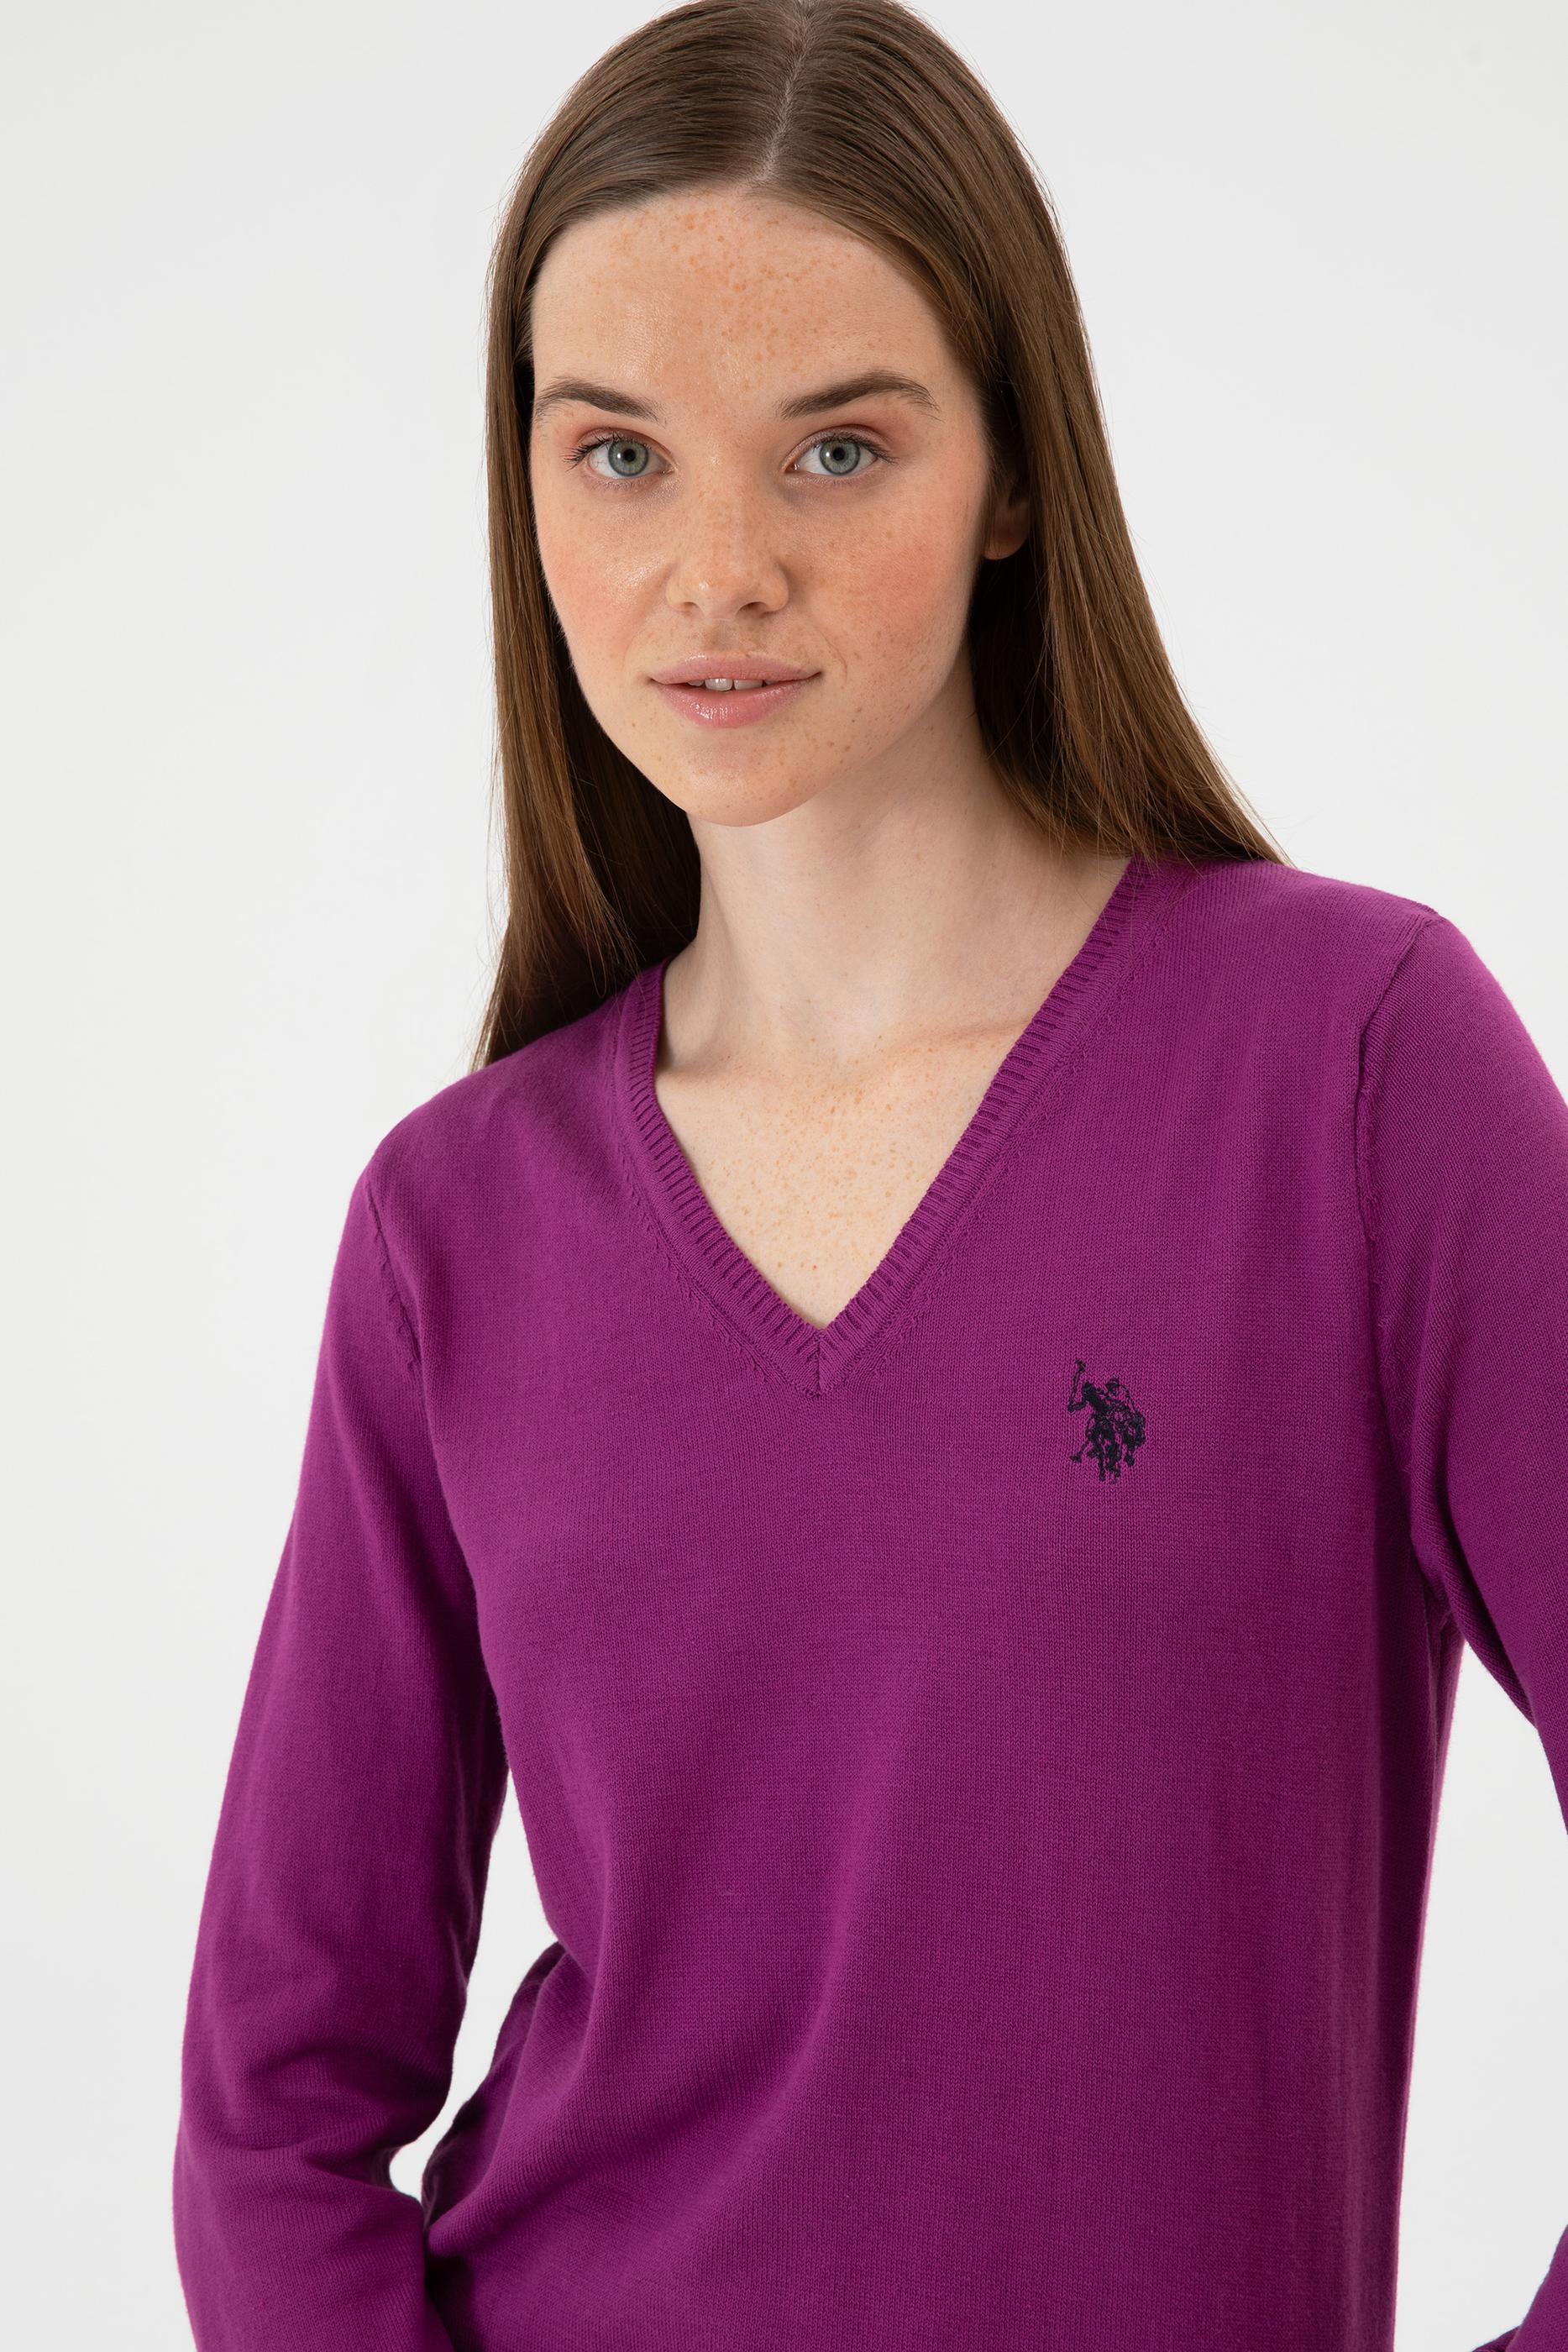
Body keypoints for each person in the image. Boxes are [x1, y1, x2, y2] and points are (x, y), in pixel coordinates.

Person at [170, 5, 1564, 2349]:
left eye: (835, 449)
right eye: (619, 454)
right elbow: (270, 2111)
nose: (715, 571)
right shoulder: (454, 1227)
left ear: (1013, 472)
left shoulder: (1350, 1071)